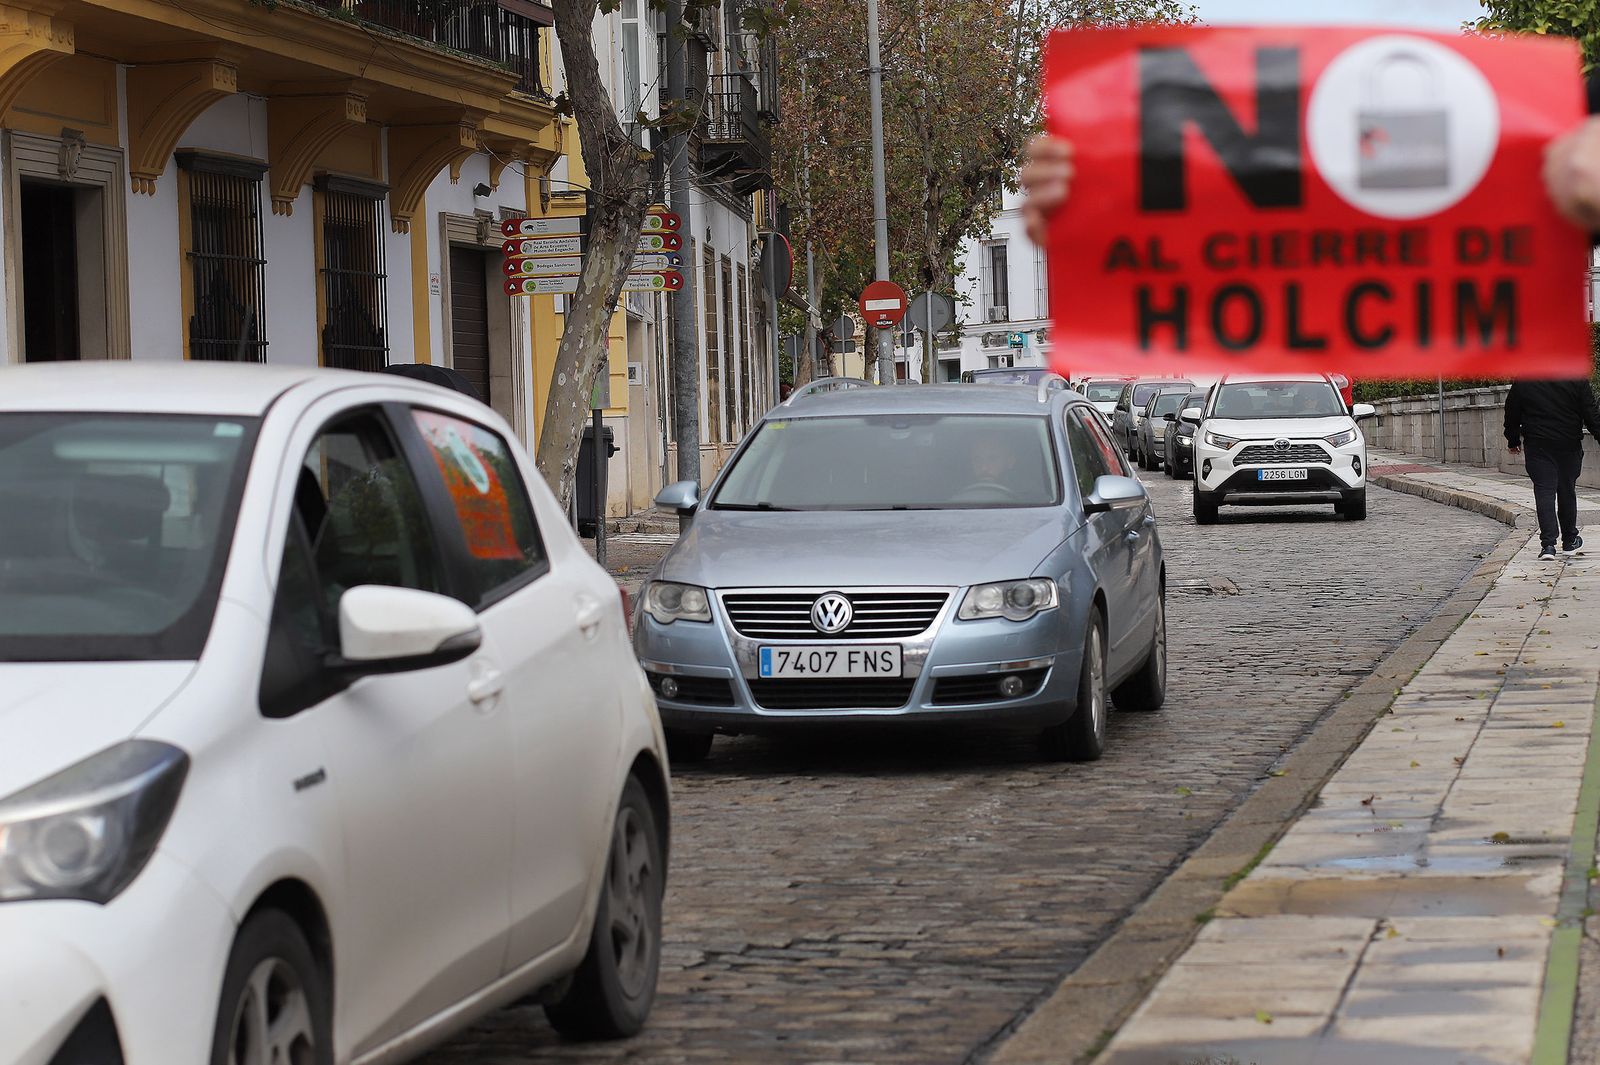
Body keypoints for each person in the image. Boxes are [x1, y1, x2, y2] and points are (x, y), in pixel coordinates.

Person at [1505, 380, 1600, 559]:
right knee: (1567, 490)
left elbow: (1512, 411)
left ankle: (1548, 545)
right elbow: (1590, 411)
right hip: (1568, 443)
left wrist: (1513, 439)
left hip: (1537, 444)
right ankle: (1569, 540)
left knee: (1544, 491)